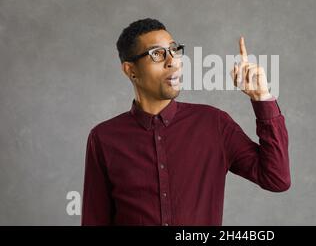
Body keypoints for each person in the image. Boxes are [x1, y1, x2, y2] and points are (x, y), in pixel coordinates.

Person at [81, 18, 290, 225]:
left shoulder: (213, 124)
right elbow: (94, 219)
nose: (172, 60)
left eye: (174, 50)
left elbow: (276, 178)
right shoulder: (104, 138)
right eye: (157, 54)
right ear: (131, 70)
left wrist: (262, 97)